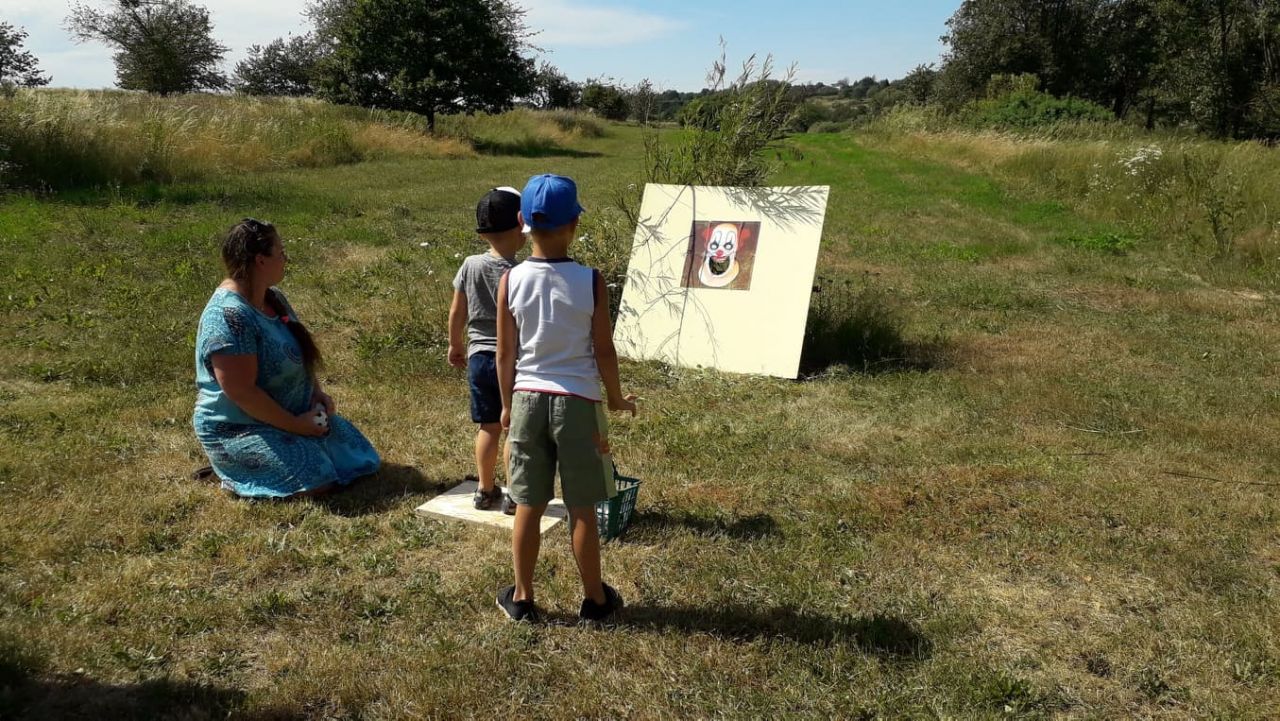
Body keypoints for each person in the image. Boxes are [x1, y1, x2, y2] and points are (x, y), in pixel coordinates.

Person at [495, 174, 637, 623]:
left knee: (528, 505)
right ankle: (595, 600)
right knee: (582, 508)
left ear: (522, 222)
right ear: (575, 223)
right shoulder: (591, 281)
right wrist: (615, 398)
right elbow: (604, 350)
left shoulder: (510, 280)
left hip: (526, 400)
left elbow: (505, 354)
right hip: (578, 402)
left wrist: (506, 406)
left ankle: (522, 597)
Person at [193, 218, 380, 498]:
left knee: (362, 459)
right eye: (280, 253)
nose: (286, 259)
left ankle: (278, 453)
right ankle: (232, 468)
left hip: (294, 413)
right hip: (240, 426)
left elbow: (299, 352)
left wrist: (316, 394)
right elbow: (241, 392)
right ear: (261, 261)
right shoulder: (229, 316)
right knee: (318, 478)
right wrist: (296, 425)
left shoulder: (274, 298)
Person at [448, 187, 525, 511]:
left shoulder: (470, 265)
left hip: (479, 358)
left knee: (488, 427)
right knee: (513, 429)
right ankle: (513, 495)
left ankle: (484, 488)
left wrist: (455, 343)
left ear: (481, 234)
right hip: (512, 361)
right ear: (521, 229)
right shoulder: (521, 272)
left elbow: (457, 311)